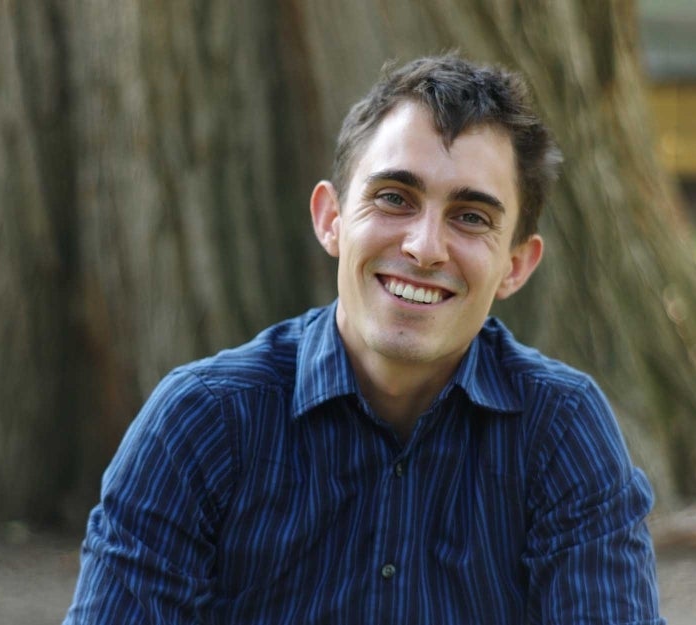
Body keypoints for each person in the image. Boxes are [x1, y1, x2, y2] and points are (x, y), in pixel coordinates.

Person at [63, 53, 663, 624]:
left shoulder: (560, 430)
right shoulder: (202, 420)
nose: (424, 247)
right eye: (394, 198)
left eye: (471, 217)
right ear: (331, 219)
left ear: (515, 266)